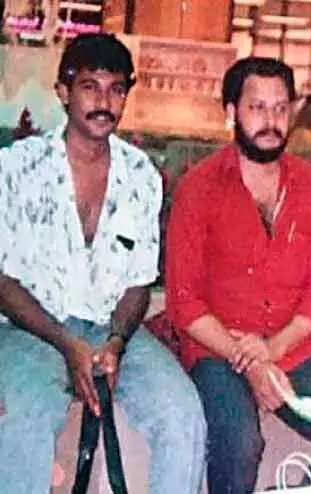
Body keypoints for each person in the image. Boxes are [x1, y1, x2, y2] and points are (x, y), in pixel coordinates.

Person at [0, 33, 205, 493]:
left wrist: (115, 342)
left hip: (112, 330)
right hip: (32, 329)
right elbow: (2, 282)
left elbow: (138, 283)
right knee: (24, 421)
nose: (104, 102)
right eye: (90, 87)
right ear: (63, 92)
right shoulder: (15, 169)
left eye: (116, 90)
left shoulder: (141, 176)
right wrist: (65, 343)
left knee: (183, 416)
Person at [164, 57, 311, 494]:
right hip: (219, 349)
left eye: (280, 108)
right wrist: (251, 361)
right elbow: (184, 302)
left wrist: (272, 350)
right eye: (257, 108)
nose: (271, 121)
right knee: (240, 443)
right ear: (231, 112)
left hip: (294, 347)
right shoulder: (198, 188)